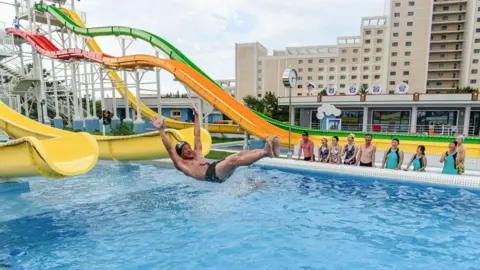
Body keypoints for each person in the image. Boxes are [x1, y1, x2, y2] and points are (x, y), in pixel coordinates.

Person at [151, 106, 280, 183]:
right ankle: (265, 153)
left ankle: (268, 152)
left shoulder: (198, 154)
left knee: (239, 154)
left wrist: (196, 116)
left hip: (216, 167)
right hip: (211, 176)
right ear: (181, 154)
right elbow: (169, 148)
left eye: (188, 147)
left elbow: (197, 134)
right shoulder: (182, 164)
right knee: (232, 160)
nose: (189, 149)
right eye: (185, 149)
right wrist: (161, 130)